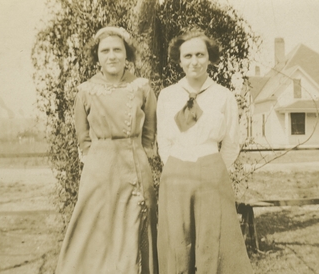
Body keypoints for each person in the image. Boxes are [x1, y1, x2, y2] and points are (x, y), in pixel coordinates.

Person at [55, 26, 158, 274]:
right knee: (97, 233)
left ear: (127, 55)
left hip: (134, 169)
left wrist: (136, 156)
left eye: (117, 50)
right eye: (105, 51)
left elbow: (149, 135)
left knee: (133, 231)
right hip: (99, 174)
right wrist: (99, 163)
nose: (111, 56)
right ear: (97, 57)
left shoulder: (142, 88)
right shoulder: (86, 91)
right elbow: (83, 139)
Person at [156, 29, 254, 273]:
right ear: (179, 61)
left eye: (200, 54)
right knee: (177, 242)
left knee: (215, 240)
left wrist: (214, 167)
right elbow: (163, 142)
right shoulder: (167, 96)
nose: (194, 61)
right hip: (176, 172)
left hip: (212, 171)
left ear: (210, 58)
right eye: (187, 56)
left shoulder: (223, 96)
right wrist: (177, 165)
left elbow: (231, 141)